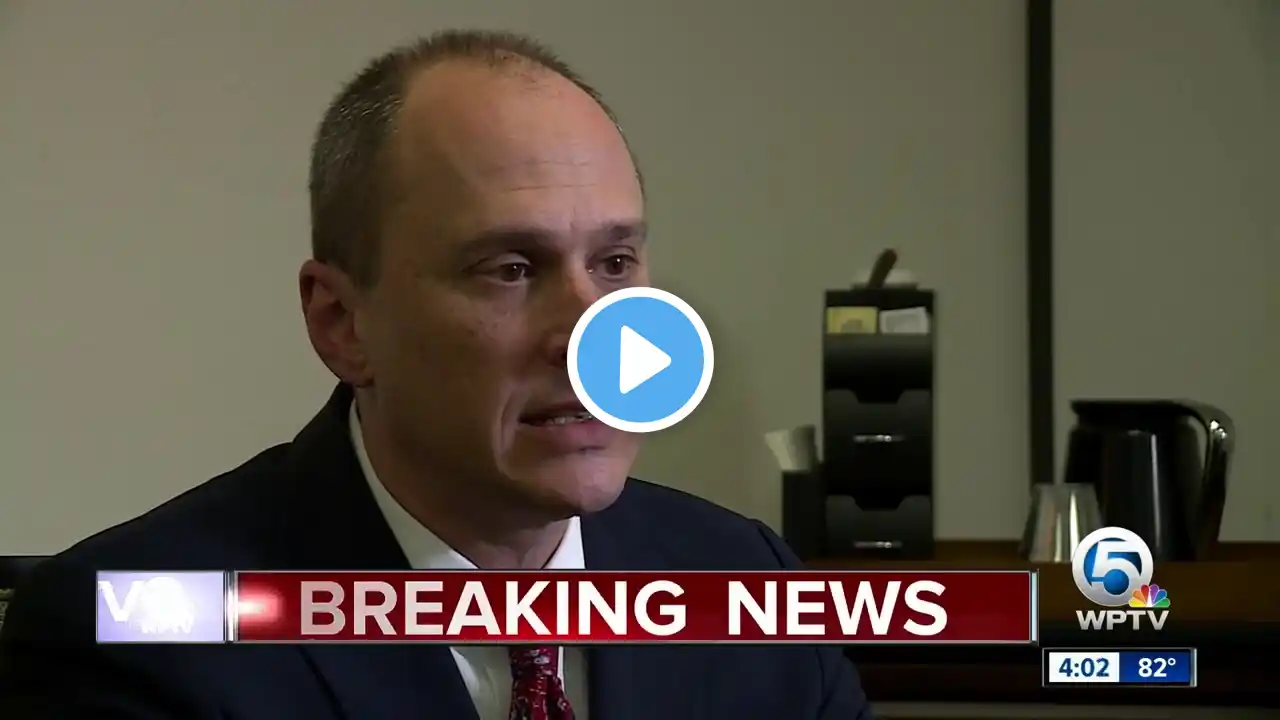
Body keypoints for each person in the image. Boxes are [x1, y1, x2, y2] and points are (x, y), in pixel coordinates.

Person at [0, 30, 873, 719]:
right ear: (343, 325)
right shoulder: (136, 639)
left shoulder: (745, 584)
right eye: (511, 270)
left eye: (614, 264)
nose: (593, 336)